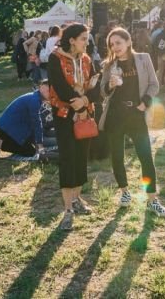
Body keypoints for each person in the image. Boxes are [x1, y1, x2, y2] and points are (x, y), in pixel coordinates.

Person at [99, 28, 165, 217]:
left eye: (118, 43)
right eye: (111, 44)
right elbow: (102, 92)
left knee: (145, 156)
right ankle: (124, 192)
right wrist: (110, 85)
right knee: (117, 157)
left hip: (136, 113)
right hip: (115, 115)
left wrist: (144, 103)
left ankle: (152, 200)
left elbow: (154, 84)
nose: (115, 47)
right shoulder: (109, 65)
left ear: (128, 42)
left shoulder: (143, 59)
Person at [47, 23, 101, 231]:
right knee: (68, 157)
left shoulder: (86, 59)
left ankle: (77, 198)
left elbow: (96, 85)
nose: (87, 42)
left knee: (81, 156)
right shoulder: (55, 58)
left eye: (87, 38)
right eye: (83, 39)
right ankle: (68, 208)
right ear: (71, 40)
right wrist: (79, 106)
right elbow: (60, 87)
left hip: (85, 114)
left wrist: (85, 103)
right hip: (64, 115)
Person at [0, 81, 58, 160]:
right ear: (41, 88)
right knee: (30, 152)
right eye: (47, 91)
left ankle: (4, 142)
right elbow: (37, 124)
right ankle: (0, 143)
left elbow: (34, 125)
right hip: (7, 131)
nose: (49, 94)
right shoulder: (34, 100)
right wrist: (40, 145)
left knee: (32, 148)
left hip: (13, 129)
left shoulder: (35, 97)